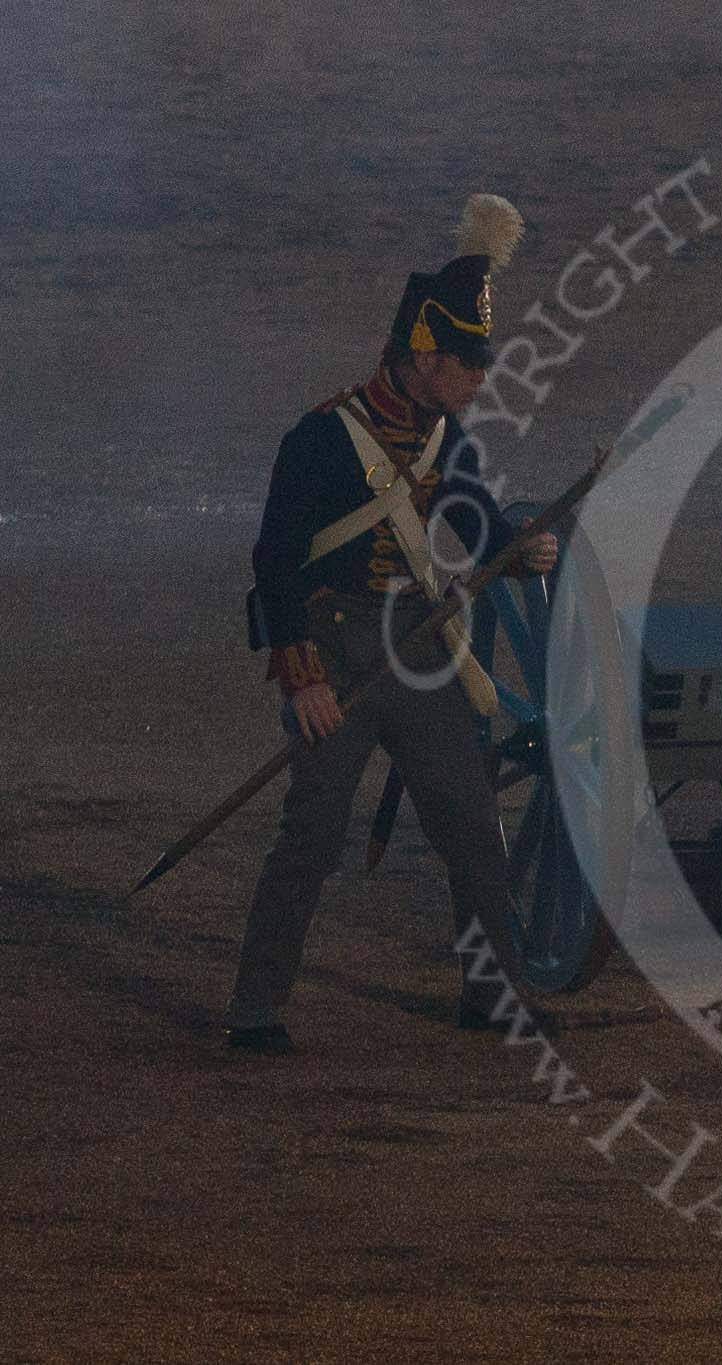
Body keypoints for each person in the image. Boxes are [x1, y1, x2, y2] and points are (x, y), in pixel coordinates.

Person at [225, 194, 558, 1054]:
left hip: (415, 647)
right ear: (420, 354)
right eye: (463, 360)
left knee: (472, 823)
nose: (478, 375)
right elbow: (275, 564)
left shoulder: (445, 440)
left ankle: (495, 995)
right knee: (313, 835)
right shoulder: (321, 440)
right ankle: (255, 1008)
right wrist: (302, 679)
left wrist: (520, 551)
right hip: (334, 651)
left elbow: (473, 522)